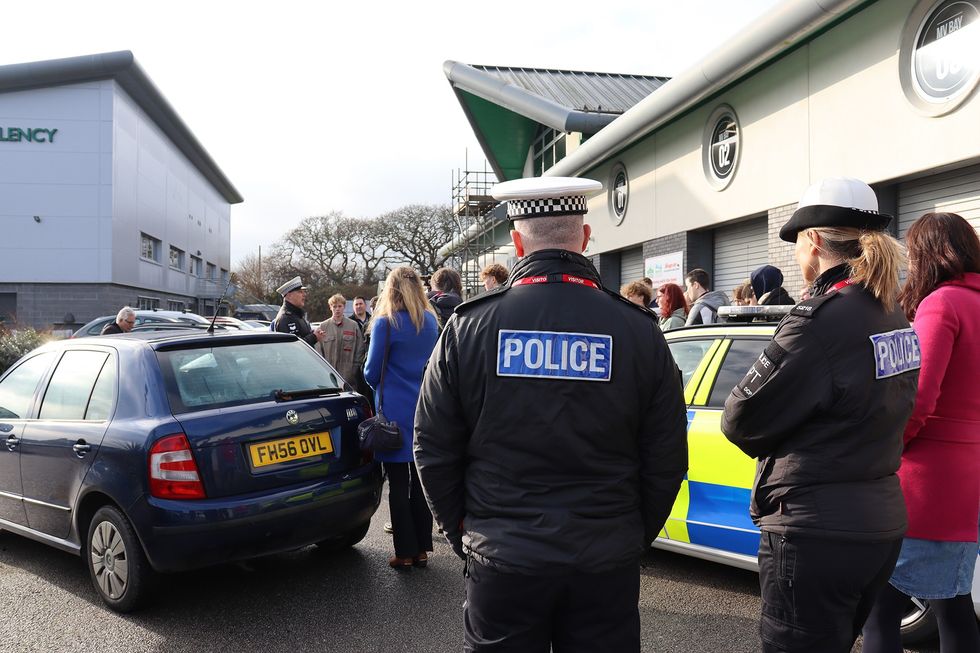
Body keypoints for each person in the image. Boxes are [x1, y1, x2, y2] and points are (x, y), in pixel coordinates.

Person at [414, 176, 688, 652]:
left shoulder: (469, 328)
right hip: (605, 559)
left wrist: (465, 532)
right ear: (584, 238)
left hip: (503, 556)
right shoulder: (638, 330)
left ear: (517, 243)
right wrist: (630, 534)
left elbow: (433, 446)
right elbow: (666, 454)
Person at [720, 177, 920, 653]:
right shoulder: (892, 312)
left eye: (797, 245)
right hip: (879, 522)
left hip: (816, 530)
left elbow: (739, 418)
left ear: (812, 242)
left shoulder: (819, 319)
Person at [862, 212, 980, 653]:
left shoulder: (942, 304)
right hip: (970, 478)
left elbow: (920, 399)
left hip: (930, 481)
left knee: (881, 608)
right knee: (952, 600)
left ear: (926, 254)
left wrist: (891, 449)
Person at [364, 267, 440, 570]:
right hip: (424, 407)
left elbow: (371, 371)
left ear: (390, 289)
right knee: (419, 481)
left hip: (394, 410)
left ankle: (405, 552)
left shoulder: (385, 323)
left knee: (397, 483)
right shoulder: (431, 321)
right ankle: (422, 548)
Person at [316, 294, 366, 387]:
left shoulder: (353, 326)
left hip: (349, 379)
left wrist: (353, 370)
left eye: (340, 306)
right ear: (330, 307)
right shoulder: (323, 326)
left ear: (344, 307)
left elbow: (360, 349)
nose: (337, 309)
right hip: (328, 377)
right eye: (334, 306)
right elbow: (318, 351)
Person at [272, 276, 324, 346]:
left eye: (304, 292)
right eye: (300, 292)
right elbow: (293, 347)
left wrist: (313, 333)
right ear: (289, 296)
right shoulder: (286, 318)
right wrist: (314, 337)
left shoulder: (297, 315)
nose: (304, 295)